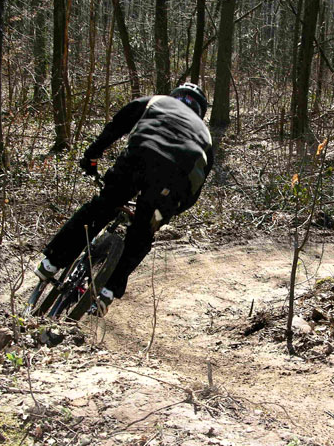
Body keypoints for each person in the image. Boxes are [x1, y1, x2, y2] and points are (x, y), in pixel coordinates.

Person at [35, 83, 213, 315]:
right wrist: (165, 213)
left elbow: (116, 127)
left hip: (139, 158)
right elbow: (195, 188)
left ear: (176, 97)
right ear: (200, 111)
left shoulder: (156, 101)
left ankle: (53, 262)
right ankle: (108, 291)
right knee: (142, 233)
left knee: (102, 206)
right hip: (173, 181)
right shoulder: (206, 136)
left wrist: (91, 157)